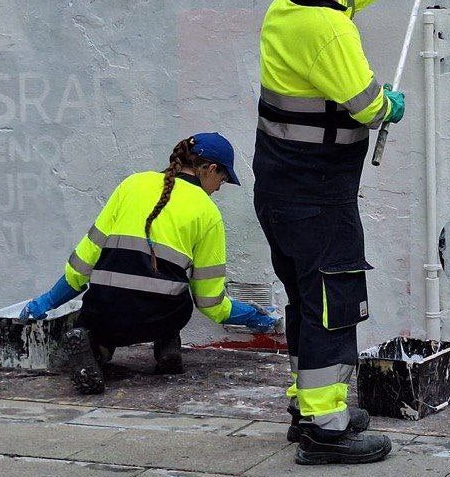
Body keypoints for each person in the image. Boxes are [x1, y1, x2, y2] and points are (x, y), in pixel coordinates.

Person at [254, 0, 439, 466]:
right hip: (319, 194)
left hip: (280, 187)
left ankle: (307, 407)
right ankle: (327, 429)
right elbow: (368, 105)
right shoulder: (330, 34)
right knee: (331, 305)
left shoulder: (286, 9)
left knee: (305, 301)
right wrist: (391, 105)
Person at [22, 133, 278, 395]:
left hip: (105, 313)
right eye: (222, 179)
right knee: (178, 298)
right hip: (160, 318)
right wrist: (251, 316)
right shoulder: (208, 213)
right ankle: (167, 348)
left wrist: (46, 302)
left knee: (94, 317)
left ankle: (96, 349)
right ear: (210, 169)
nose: (219, 188)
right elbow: (209, 302)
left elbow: (81, 266)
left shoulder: (132, 185)